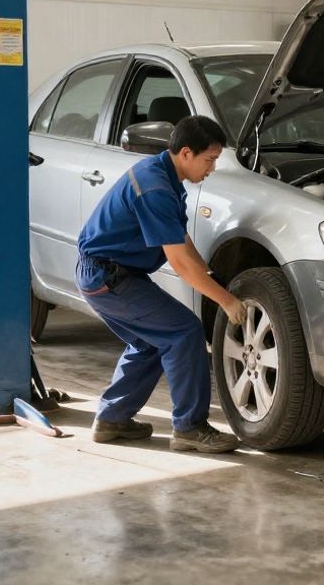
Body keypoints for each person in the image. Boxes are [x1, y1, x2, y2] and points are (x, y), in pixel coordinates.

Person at [76, 115, 248, 453]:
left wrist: (210, 276)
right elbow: (180, 264)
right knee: (184, 332)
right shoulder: (155, 187)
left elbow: (179, 238)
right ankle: (190, 428)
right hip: (107, 276)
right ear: (186, 153)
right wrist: (227, 301)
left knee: (150, 343)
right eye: (209, 160)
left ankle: (112, 419)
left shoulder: (163, 174)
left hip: (107, 274)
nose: (211, 169)